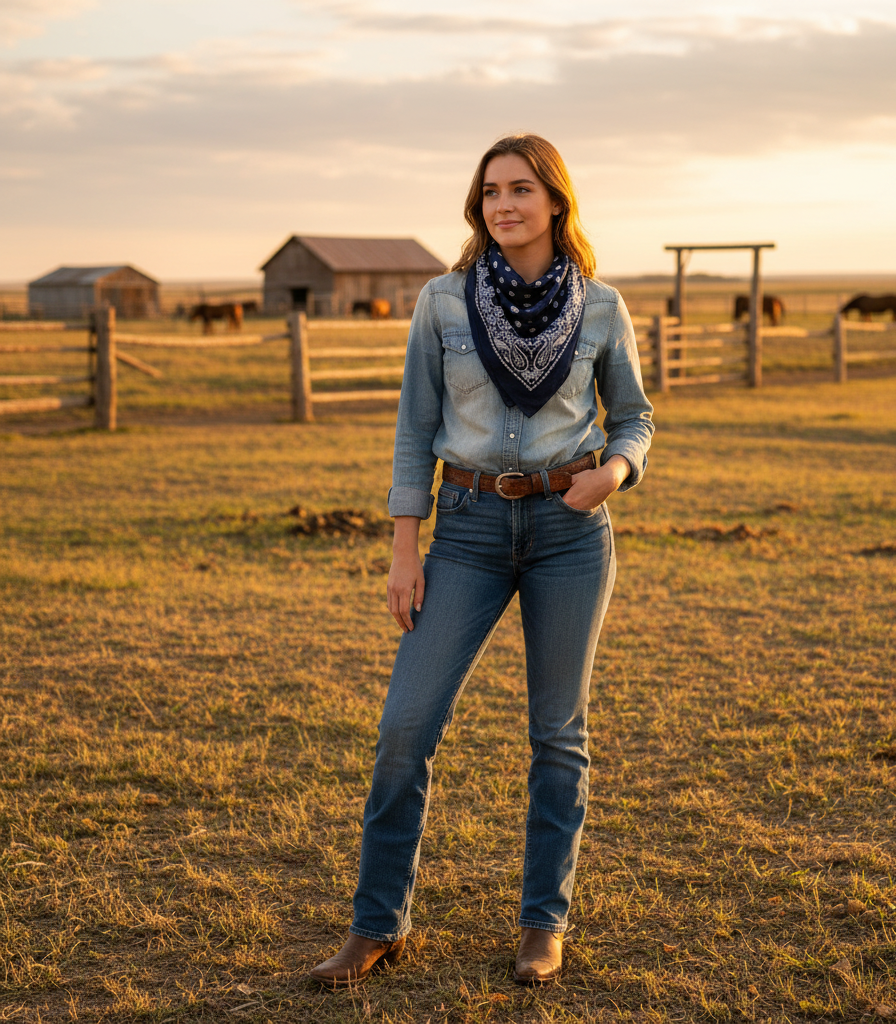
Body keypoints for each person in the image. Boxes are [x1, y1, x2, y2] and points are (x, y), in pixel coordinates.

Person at [310, 133, 654, 988]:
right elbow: (412, 430)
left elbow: (636, 418)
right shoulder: (442, 301)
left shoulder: (604, 307)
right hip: (463, 527)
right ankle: (376, 924)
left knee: (557, 736)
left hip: (571, 531)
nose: (504, 204)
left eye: (522, 190)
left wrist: (612, 472)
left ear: (555, 202)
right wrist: (405, 545)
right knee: (405, 727)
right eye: (491, 190)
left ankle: (544, 924)